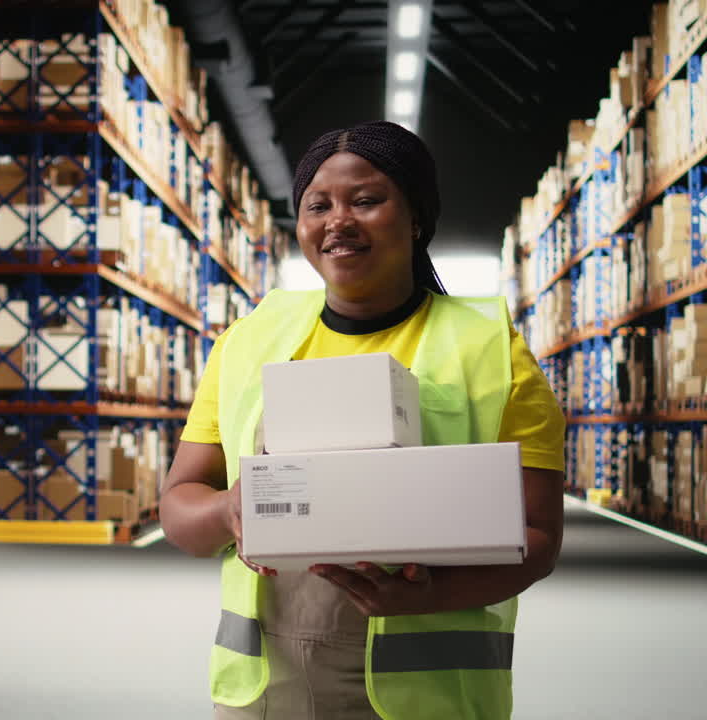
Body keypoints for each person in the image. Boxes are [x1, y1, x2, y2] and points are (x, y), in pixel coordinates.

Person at [160, 120, 566, 720]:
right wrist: (229, 509)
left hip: (425, 700)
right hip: (268, 694)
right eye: (317, 205)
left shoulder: (490, 351)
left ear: (417, 217)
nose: (338, 222)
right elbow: (178, 507)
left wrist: (435, 593)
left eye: (367, 200)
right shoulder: (248, 343)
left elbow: (539, 536)